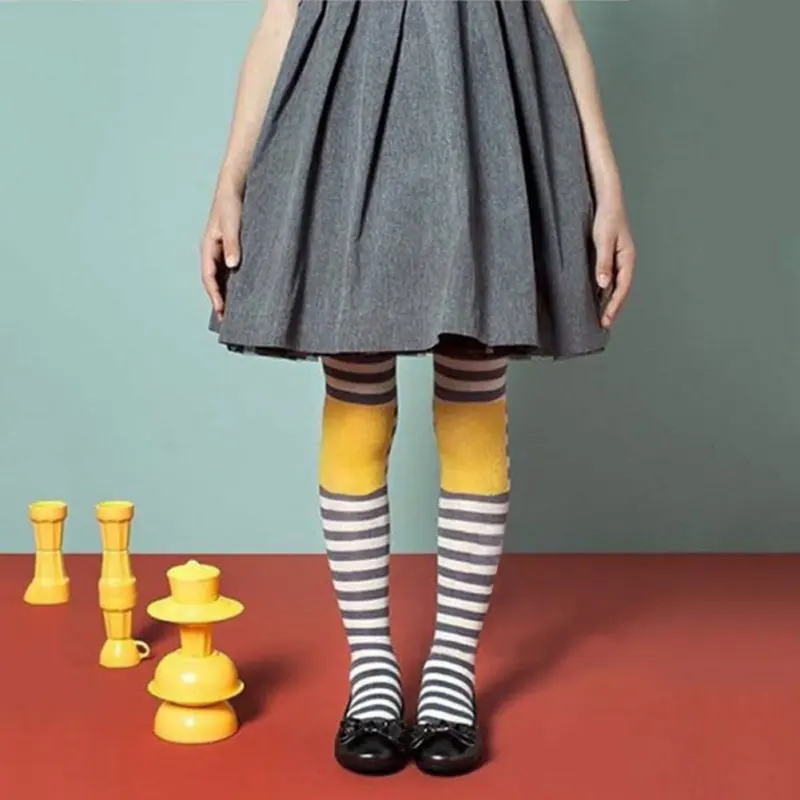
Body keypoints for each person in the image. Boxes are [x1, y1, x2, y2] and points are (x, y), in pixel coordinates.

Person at [201, 0, 635, 777]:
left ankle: (450, 672)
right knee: (356, 408)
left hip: (484, 125)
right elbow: (279, 20)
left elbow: (561, 20)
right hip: (347, 125)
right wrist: (228, 182)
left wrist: (609, 189)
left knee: (473, 409)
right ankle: (372, 670)